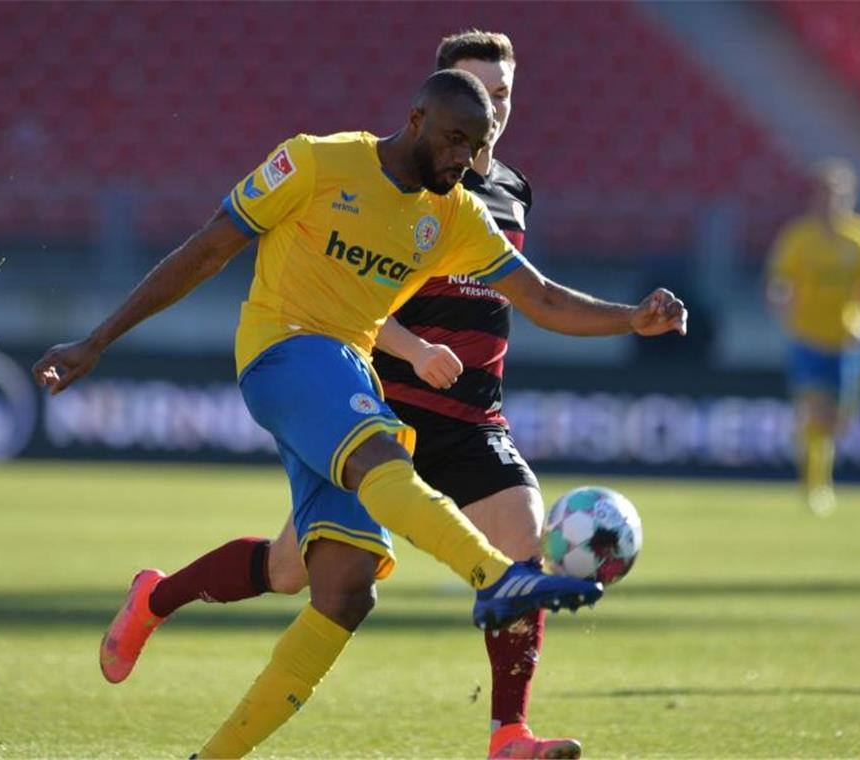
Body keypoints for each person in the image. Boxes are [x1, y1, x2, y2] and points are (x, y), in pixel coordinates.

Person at [36, 70, 686, 757]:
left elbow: (544, 299)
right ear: (415, 121)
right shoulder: (316, 162)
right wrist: (96, 340)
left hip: (346, 368)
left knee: (344, 591)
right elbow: (208, 248)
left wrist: (630, 321)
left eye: (476, 146)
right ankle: (496, 577)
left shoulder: (456, 213)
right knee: (382, 459)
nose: (462, 158)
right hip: (282, 350)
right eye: (454, 139)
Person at [766, 158, 860, 516]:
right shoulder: (798, 237)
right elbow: (779, 280)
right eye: (825, 194)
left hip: (844, 340)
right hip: (807, 337)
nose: (831, 201)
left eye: (838, 194)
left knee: (841, 421)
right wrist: (780, 300)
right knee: (814, 411)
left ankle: (811, 455)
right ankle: (816, 487)